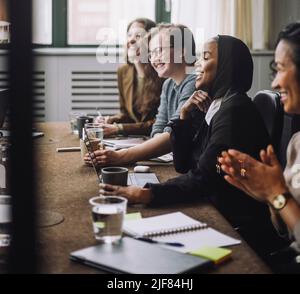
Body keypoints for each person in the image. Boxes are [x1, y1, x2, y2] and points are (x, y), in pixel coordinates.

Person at [99, 35, 280, 250]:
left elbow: (204, 177)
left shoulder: (235, 111)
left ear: (226, 66)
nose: (197, 64)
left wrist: (147, 193)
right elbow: (183, 164)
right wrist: (184, 116)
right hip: (216, 209)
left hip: (237, 226)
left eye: (205, 58)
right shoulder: (216, 106)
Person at [218, 23, 300, 271]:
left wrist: (277, 193)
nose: (274, 83)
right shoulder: (296, 144)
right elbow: (287, 232)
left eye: (280, 69)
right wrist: (268, 196)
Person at [85, 23, 196, 166]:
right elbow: (159, 127)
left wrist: (120, 156)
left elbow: (172, 135)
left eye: (159, 50)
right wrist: (159, 147)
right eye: (151, 54)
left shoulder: (194, 82)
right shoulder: (168, 84)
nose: (154, 59)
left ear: (182, 51)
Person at [99, 18, 164, 137]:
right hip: (134, 140)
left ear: (152, 42)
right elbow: (127, 114)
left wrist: (119, 128)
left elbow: (160, 123)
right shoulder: (123, 72)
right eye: (129, 35)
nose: (131, 40)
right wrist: (112, 120)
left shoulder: (163, 74)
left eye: (138, 36)